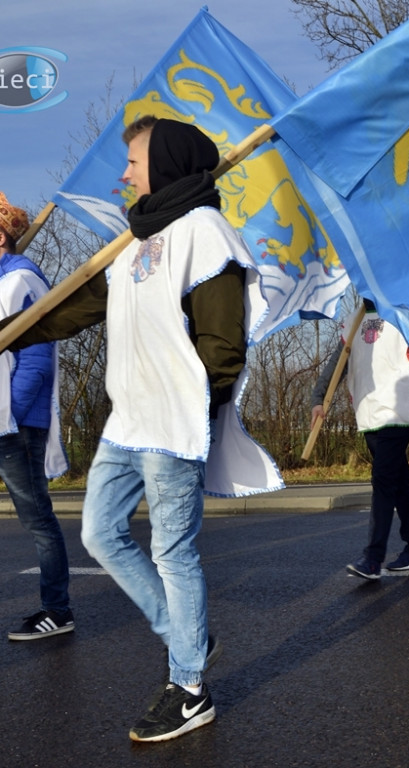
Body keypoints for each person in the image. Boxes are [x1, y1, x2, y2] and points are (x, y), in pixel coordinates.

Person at [0, 117, 283, 742]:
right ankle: (189, 636)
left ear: (167, 160)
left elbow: (223, 345)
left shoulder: (207, 235)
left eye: (133, 160)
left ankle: (190, 688)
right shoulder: (136, 238)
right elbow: (73, 309)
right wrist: (14, 333)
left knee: (173, 553)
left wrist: (198, 415)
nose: (123, 173)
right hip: (126, 421)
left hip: (173, 422)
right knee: (100, 534)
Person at [311, 298, 409, 580]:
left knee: (383, 481)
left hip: (398, 408)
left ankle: (373, 558)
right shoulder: (357, 318)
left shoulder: (404, 312)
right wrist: (319, 398)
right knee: (399, 482)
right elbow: (339, 361)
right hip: (369, 411)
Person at [0, 193, 74, 641]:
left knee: (37, 518)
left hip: (14, 425)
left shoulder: (22, 280)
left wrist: (11, 415)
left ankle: (57, 609)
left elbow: (38, 358)